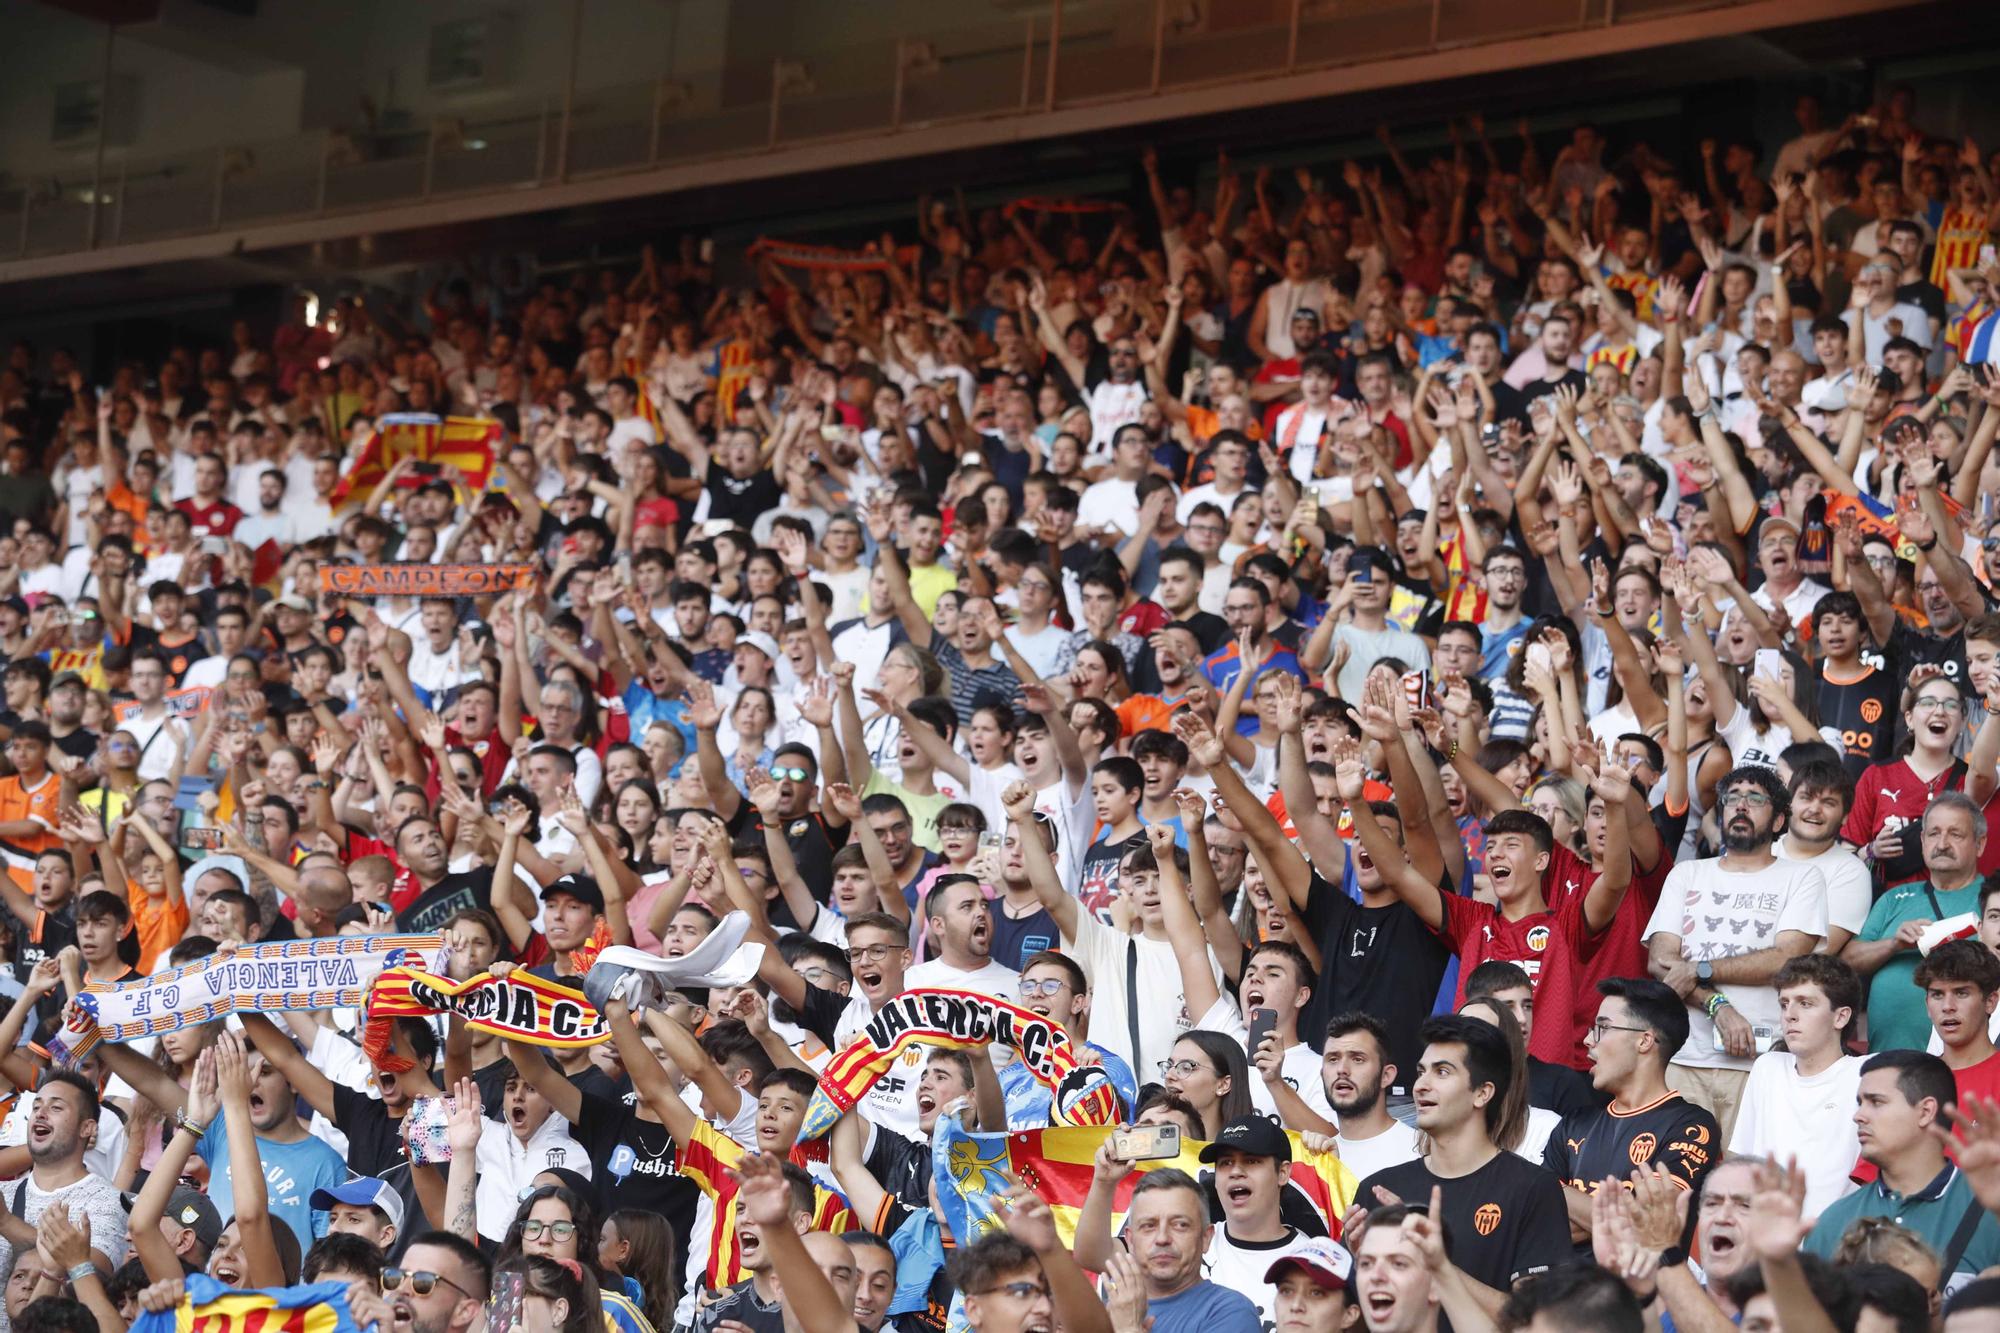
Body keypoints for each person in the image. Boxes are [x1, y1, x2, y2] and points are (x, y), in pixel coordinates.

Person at [1644, 765, 1828, 1144]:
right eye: (1733, 798)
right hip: (1681, 1059)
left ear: (1779, 820)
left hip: (1761, 1064)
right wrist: (1718, 1007)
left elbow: (1786, 958)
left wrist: (1699, 968)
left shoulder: (1802, 877)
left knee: (1745, 1185)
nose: (1741, 805)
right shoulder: (1686, 873)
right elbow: (1660, 962)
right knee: (1673, 1186)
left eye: (1756, 798)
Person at [1354, 1016, 1572, 1301]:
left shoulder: (1533, 1188)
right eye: (1421, 1071)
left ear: (1482, 1093)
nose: (1420, 1085)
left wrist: (1436, 1264)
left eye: (1442, 1072)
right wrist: (1359, 1271)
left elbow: (1536, 1321)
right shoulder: (1378, 1190)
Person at [1542, 978, 1720, 1247]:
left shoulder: (1691, 1126)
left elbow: (1643, 1224)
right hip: (1560, 1286)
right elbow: (1535, 1226)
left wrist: (1549, 1185)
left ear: (1644, 1041)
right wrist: (1614, 1212)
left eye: (1602, 1028)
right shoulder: (1574, 1123)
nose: (1588, 1040)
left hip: (1641, 1286)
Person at [1804, 1050, 2000, 1289]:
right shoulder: (1832, 1223)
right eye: (1860, 1103)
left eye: (1876, 1102)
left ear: (1926, 1112)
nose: (1858, 1116)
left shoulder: (1991, 1211)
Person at [1845, 793, 1992, 1055]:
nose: (1943, 843)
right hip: (1889, 1062)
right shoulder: (1894, 899)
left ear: (1979, 844)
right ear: (1922, 841)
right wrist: (1893, 944)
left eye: (1955, 834)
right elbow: (1847, 960)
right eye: (1934, 833)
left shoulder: (1993, 901)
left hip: (1969, 1067)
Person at [1728, 953, 1865, 1215]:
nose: (1790, 1015)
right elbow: (1739, 1159)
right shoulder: (1767, 1067)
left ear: (1841, 1017)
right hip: (1763, 1236)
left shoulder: (1866, 1073)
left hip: (1834, 1240)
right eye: (1784, 1004)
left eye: (1805, 1003)